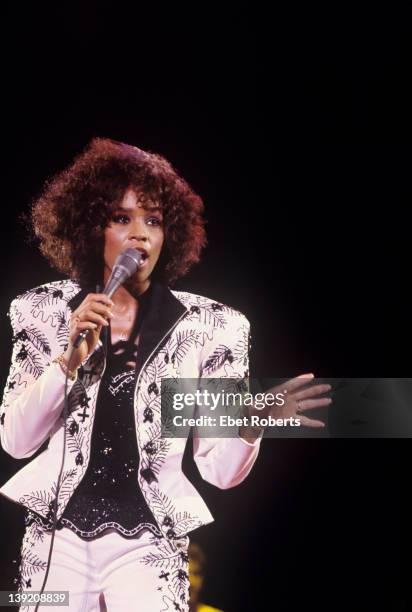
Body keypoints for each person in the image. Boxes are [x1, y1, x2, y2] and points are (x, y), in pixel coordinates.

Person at [0, 138, 330, 611]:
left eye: (153, 220)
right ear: (90, 227)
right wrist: (66, 364)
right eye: (121, 218)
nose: (141, 235)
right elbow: (15, 441)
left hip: (149, 543)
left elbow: (219, 471)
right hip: (56, 539)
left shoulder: (211, 328)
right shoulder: (42, 312)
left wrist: (252, 420)